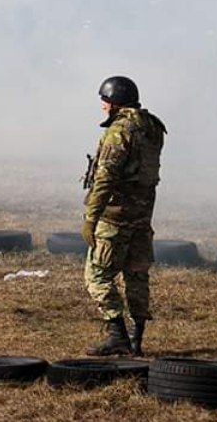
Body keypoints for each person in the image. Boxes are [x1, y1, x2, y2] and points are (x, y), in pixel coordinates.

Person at [81, 75, 166, 357]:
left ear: (115, 102)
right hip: (142, 217)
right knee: (136, 276)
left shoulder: (119, 131)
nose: (103, 106)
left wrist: (91, 217)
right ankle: (137, 338)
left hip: (115, 217)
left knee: (97, 275)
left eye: (105, 101)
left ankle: (117, 335)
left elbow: (105, 178)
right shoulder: (152, 128)